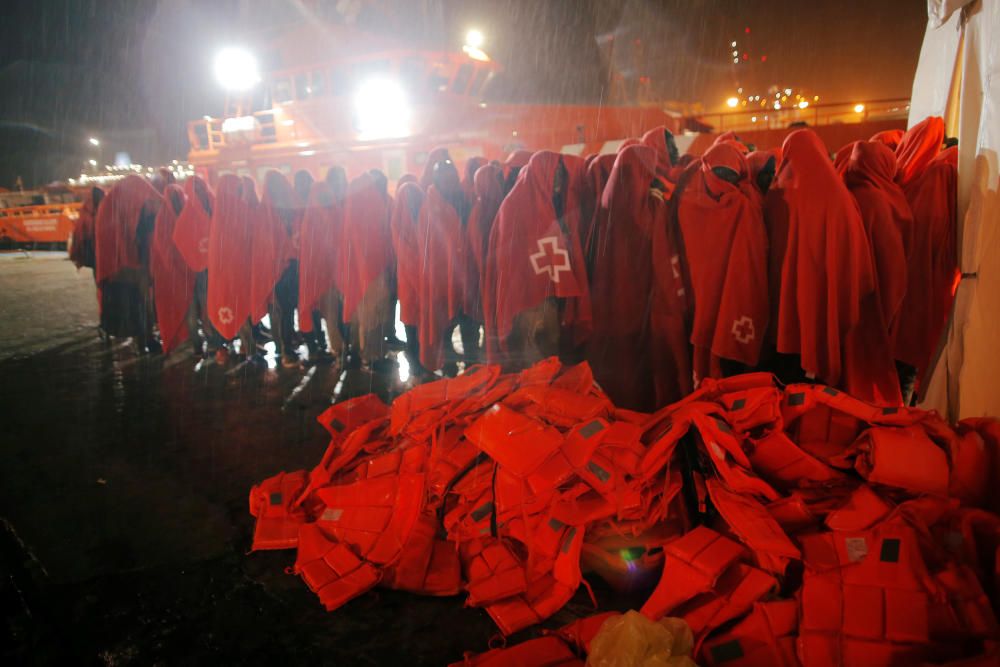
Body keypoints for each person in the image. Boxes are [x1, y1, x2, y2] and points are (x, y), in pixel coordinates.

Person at [764, 129, 886, 397]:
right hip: (825, 298)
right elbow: (855, 253)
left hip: (784, 304)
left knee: (784, 379)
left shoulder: (776, 196)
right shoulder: (840, 198)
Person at [484, 151, 591, 369]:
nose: (559, 181)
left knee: (548, 349)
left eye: (561, 174)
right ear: (542, 174)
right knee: (531, 352)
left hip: (546, 294)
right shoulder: (516, 205)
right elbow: (513, 260)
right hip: (525, 297)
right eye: (555, 174)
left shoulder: (547, 203)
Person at [675, 142, 769, 384]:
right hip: (705, 292)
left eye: (731, 177)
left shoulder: (688, 201)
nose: (724, 183)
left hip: (713, 292)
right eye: (720, 174)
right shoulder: (742, 205)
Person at [416, 158, 477, 373]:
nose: (449, 181)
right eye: (445, 176)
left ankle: (471, 364)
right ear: (437, 179)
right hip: (441, 277)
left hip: (464, 274)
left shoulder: (464, 199)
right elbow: (428, 246)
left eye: (452, 176)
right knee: (445, 326)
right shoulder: (430, 207)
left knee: (469, 323)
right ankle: (449, 364)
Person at [94, 174, 163, 351]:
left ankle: (141, 340)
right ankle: (144, 341)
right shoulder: (124, 206)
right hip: (129, 268)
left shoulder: (110, 205)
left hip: (122, 267)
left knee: (135, 304)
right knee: (138, 304)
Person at [340, 170, 394, 368]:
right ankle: (373, 357)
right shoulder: (370, 207)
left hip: (364, 272)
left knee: (365, 315)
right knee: (373, 315)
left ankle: (365, 353)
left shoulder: (353, 209)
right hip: (373, 272)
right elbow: (378, 241)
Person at [171, 175, 225, 360]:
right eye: (197, 189)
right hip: (203, 270)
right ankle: (215, 342)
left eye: (201, 188)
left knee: (216, 303)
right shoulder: (190, 214)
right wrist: (196, 258)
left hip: (215, 266)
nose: (200, 192)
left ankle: (219, 339)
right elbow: (180, 239)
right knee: (208, 306)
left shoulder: (212, 206)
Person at [252, 170, 301, 367]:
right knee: (285, 311)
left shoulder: (266, 211)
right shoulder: (289, 207)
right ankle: (285, 350)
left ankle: (285, 349)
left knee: (281, 311)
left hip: (278, 268)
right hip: (288, 267)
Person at [207, 174, 255, 358]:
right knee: (240, 309)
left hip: (226, 272)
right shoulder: (237, 209)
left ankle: (238, 347)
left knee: (232, 306)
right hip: (237, 271)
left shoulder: (219, 211)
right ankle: (249, 349)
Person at [298, 179, 346, 361]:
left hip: (335, 273)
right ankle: (339, 348)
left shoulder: (330, 213)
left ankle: (341, 347)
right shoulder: (313, 218)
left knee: (338, 313)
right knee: (332, 314)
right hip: (322, 276)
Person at [150, 183, 196, 354]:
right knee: (191, 306)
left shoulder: (162, 218)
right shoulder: (188, 215)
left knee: (183, 307)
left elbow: (162, 249)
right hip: (190, 270)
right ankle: (196, 343)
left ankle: (188, 340)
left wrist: (172, 268)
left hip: (173, 274)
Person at [391, 175, 425, 374]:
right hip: (411, 282)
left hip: (414, 281)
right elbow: (408, 256)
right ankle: (415, 366)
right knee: (413, 326)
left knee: (417, 325)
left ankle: (420, 363)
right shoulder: (400, 223)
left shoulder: (419, 219)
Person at [69, 186, 104, 272]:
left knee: (97, 272)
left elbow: (79, 232)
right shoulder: (105, 209)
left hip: (92, 251)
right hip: (101, 251)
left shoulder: (85, 210)